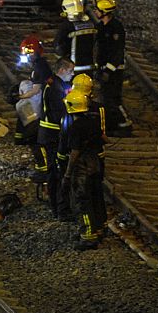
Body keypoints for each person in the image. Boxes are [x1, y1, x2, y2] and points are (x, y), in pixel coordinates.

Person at [63, 90, 109, 250]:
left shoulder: (75, 127)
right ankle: (99, 228)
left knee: (82, 201)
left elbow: (74, 152)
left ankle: (88, 236)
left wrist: (67, 175)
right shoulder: (92, 121)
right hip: (95, 164)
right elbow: (105, 139)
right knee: (96, 197)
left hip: (82, 168)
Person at [37, 57, 74, 217]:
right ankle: (59, 209)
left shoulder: (57, 84)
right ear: (62, 70)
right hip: (51, 136)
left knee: (57, 172)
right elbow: (60, 112)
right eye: (71, 71)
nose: (72, 74)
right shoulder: (54, 87)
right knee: (56, 173)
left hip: (52, 135)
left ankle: (60, 207)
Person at [14, 35, 53, 179]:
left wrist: (20, 97)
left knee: (33, 136)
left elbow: (36, 90)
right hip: (46, 103)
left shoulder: (38, 67)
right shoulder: (41, 64)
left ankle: (43, 169)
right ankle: (43, 167)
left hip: (42, 106)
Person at [93, 0, 132, 132]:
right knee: (106, 98)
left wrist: (108, 70)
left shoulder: (116, 27)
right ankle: (112, 123)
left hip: (115, 70)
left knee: (114, 98)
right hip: (104, 68)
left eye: (97, 10)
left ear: (104, 12)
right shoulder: (100, 27)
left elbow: (117, 52)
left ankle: (125, 123)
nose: (95, 12)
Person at [55, 0, 97, 73]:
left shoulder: (67, 26)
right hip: (90, 67)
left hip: (73, 69)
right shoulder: (91, 24)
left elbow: (59, 48)